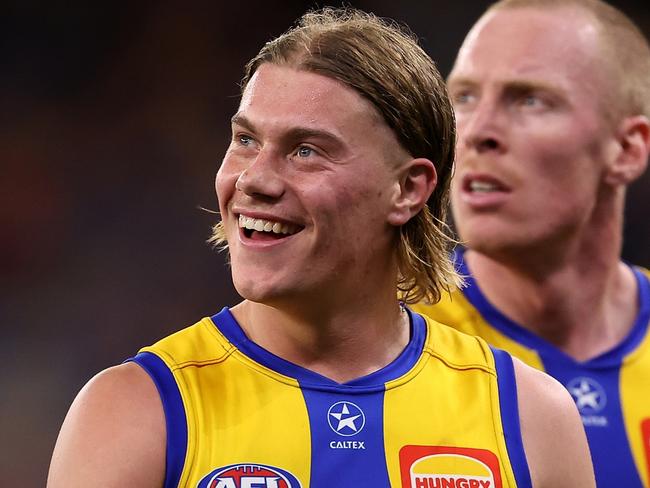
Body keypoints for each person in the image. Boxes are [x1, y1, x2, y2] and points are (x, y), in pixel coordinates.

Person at [47, 8, 594, 488]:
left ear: (406, 189)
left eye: (306, 150)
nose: (253, 179)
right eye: (245, 140)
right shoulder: (136, 414)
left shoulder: (529, 418)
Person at [412, 0, 650, 486]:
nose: (477, 133)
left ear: (626, 149)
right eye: (464, 97)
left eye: (529, 100)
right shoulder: (388, 342)